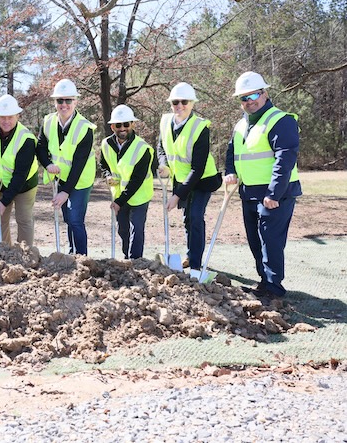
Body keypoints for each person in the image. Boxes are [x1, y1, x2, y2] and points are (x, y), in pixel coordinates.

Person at [224, 71, 301, 299]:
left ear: (265, 93)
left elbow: (285, 159)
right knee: (255, 240)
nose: (249, 101)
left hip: (275, 193)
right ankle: (264, 283)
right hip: (249, 192)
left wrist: (274, 193)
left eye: (254, 95)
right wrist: (230, 172)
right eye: (244, 98)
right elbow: (232, 152)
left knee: (271, 240)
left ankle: (274, 288)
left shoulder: (281, 120)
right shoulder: (241, 125)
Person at [157, 82, 222, 271]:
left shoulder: (201, 127)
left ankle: (195, 265)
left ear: (192, 103)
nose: (179, 106)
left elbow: (198, 168)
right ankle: (191, 254)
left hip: (202, 180)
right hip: (181, 179)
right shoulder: (165, 122)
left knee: (195, 216)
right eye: (175, 102)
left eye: (184, 102)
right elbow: (161, 147)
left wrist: (177, 196)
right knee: (187, 219)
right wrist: (163, 164)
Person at [36, 79, 96, 255]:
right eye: (59, 100)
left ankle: (82, 259)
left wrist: (65, 192)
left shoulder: (85, 128)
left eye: (68, 100)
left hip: (81, 180)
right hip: (60, 177)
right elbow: (40, 147)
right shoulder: (48, 121)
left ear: (75, 101)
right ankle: (72, 254)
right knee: (68, 219)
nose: (64, 104)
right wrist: (47, 164)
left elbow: (78, 164)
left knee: (76, 219)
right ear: (54, 102)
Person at [0, 94, 38, 246]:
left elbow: (20, 176)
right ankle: (4, 251)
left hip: (24, 185)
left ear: (18, 116)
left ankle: (25, 254)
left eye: (10, 117)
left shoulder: (27, 139)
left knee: (23, 219)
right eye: (2, 117)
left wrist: (4, 201)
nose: (6, 121)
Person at [100, 105, 153, 259]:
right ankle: (126, 259)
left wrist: (119, 201)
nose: (122, 128)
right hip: (118, 194)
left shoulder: (143, 148)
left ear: (132, 125)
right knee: (123, 230)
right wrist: (108, 175)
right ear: (112, 127)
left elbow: (136, 180)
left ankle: (135, 262)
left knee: (136, 228)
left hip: (139, 195)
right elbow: (103, 164)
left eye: (126, 124)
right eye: (118, 125)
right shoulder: (106, 144)